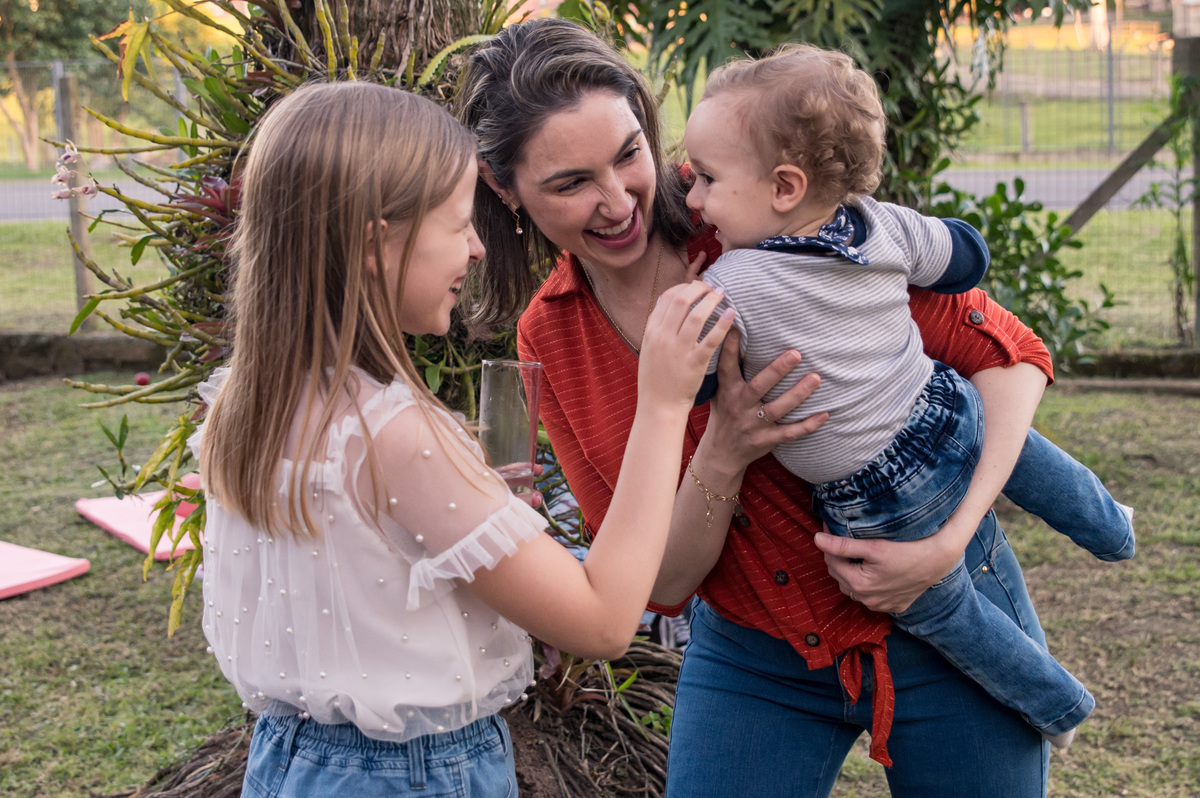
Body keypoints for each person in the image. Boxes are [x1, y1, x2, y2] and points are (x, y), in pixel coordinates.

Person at [459, 17, 1111, 797]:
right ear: (505, 190)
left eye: (629, 154)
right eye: (569, 183)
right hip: (755, 655)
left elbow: (1011, 357)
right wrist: (723, 449)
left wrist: (949, 542)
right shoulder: (553, 336)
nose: (618, 201)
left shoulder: (754, 200)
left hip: (942, 601)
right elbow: (656, 584)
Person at [190, 81, 732, 797]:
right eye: (456, 224)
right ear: (376, 243)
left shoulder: (247, 398)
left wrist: (482, 511)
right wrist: (663, 400)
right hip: (416, 774)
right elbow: (601, 622)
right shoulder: (396, 434)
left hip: (290, 758)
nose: (477, 248)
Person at [682, 43, 1136, 749]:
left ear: (783, 186)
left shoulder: (733, 282)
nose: (693, 199)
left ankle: (1056, 703)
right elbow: (962, 256)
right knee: (1028, 458)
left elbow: (695, 375)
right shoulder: (877, 222)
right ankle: (1112, 526)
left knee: (948, 611)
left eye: (707, 179)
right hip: (945, 408)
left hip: (879, 498)